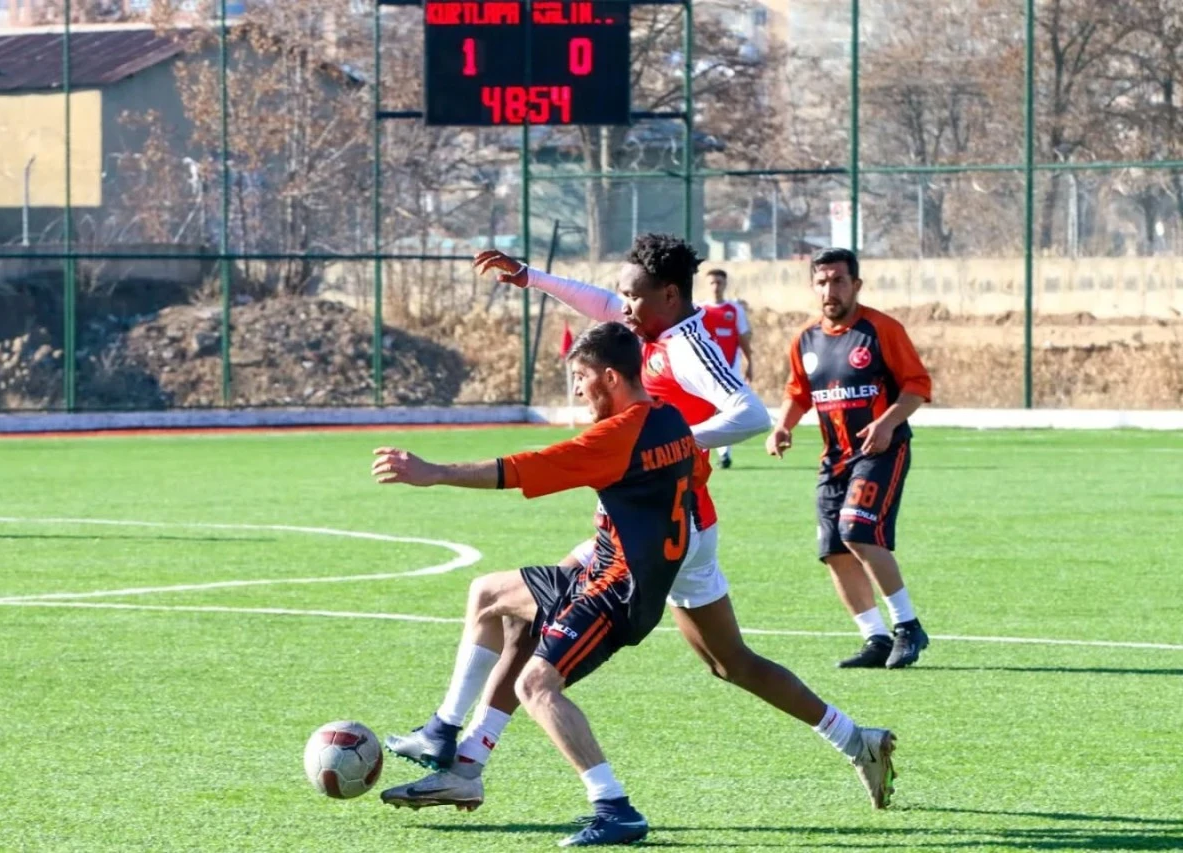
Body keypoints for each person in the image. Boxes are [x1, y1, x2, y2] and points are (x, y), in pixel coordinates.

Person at [383, 234, 898, 817]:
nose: (622, 305)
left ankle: (463, 746)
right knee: (730, 662)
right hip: (673, 518)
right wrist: (532, 277)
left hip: (661, 528)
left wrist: (666, 445)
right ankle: (858, 739)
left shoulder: (684, 347)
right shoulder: (650, 330)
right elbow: (602, 303)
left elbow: (750, 413)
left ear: (670, 296)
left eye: (634, 296)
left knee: (522, 619)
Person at [374, 322, 704, 847]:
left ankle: (614, 806)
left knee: (536, 685)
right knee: (489, 597)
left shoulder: (617, 435)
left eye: (580, 377)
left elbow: (527, 468)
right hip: (601, 569)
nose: (576, 389)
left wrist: (434, 471)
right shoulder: (672, 420)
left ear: (612, 377)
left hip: (616, 594)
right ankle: (450, 748)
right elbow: (687, 496)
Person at [765, 247, 932, 669]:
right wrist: (782, 425)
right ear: (813, 287)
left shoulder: (881, 330)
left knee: (857, 530)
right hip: (834, 458)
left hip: (881, 450)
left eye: (839, 280)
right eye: (822, 281)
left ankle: (908, 626)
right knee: (834, 549)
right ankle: (874, 638)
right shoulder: (805, 339)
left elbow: (916, 386)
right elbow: (798, 392)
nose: (830, 289)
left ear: (855, 285)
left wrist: (887, 423)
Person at [700, 268, 754, 469]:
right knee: (706, 409)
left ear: (725, 284)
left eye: (719, 283)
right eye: (712, 283)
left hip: (730, 368)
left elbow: (743, 338)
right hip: (705, 369)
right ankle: (701, 452)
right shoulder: (699, 310)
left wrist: (750, 363)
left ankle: (724, 454)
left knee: (727, 410)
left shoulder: (734, 310)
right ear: (707, 285)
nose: (716, 287)